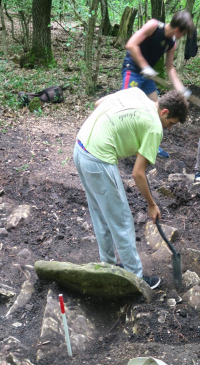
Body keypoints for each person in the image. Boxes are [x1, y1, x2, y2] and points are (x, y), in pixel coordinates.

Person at [74, 88, 188, 290]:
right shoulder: (154, 128)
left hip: (80, 147)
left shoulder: (136, 93)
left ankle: (108, 265)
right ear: (164, 112)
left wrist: (127, 131)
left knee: (100, 213)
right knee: (122, 219)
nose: (169, 129)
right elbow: (138, 174)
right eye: (171, 123)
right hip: (98, 158)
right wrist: (152, 205)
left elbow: (99, 103)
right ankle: (135, 280)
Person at [123, 10, 195, 159]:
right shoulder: (153, 26)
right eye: (183, 33)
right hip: (134, 70)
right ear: (177, 30)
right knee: (126, 107)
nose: (182, 37)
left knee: (157, 108)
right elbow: (130, 45)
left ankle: (151, 146)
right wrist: (144, 66)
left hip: (148, 75)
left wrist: (180, 88)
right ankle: (124, 144)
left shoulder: (172, 44)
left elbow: (170, 67)